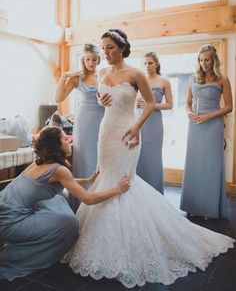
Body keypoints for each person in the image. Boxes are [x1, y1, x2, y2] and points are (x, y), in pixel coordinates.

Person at [65, 30, 235, 288]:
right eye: (103, 48)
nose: (106, 53)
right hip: (105, 132)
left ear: (122, 48)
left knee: (125, 181)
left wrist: (136, 128)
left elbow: (149, 104)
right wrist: (101, 97)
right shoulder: (101, 73)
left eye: (110, 48)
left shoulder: (135, 74)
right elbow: (102, 99)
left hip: (127, 134)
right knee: (106, 177)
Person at [0, 126, 130, 281]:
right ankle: (21, 256)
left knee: (57, 197)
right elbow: (88, 199)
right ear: (57, 145)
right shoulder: (59, 170)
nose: (69, 140)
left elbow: (66, 182)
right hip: (10, 223)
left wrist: (88, 180)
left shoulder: (39, 163)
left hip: (6, 211)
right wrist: (118, 189)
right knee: (69, 225)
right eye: (64, 138)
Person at [180, 44, 233, 219]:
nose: (204, 63)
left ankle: (209, 208)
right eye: (201, 60)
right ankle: (193, 205)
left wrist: (209, 116)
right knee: (195, 164)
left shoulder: (222, 79)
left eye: (207, 60)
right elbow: (187, 103)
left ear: (214, 60)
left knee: (211, 166)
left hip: (213, 125)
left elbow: (229, 107)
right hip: (195, 124)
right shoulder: (192, 78)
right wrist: (189, 113)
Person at [55, 43, 104, 212]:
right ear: (83, 59)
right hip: (84, 122)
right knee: (84, 159)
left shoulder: (104, 75)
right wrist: (64, 76)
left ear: (99, 59)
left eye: (94, 59)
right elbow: (58, 97)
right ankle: (80, 206)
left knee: (100, 159)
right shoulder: (77, 78)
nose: (91, 62)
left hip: (103, 121)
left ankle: (98, 204)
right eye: (88, 59)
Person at [135, 51, 173, 193]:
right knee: (138, 156)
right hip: (138, 120)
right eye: (144, 63)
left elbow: (170, 105)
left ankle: (155, 192)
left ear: (156, 64)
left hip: (154, 122)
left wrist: (151, 105)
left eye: (150, 63)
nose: (147, 66)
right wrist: (136, 104)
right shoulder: (138, 80)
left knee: (153, 158)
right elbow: (132, 100)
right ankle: (139, 193)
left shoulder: (164, 81)